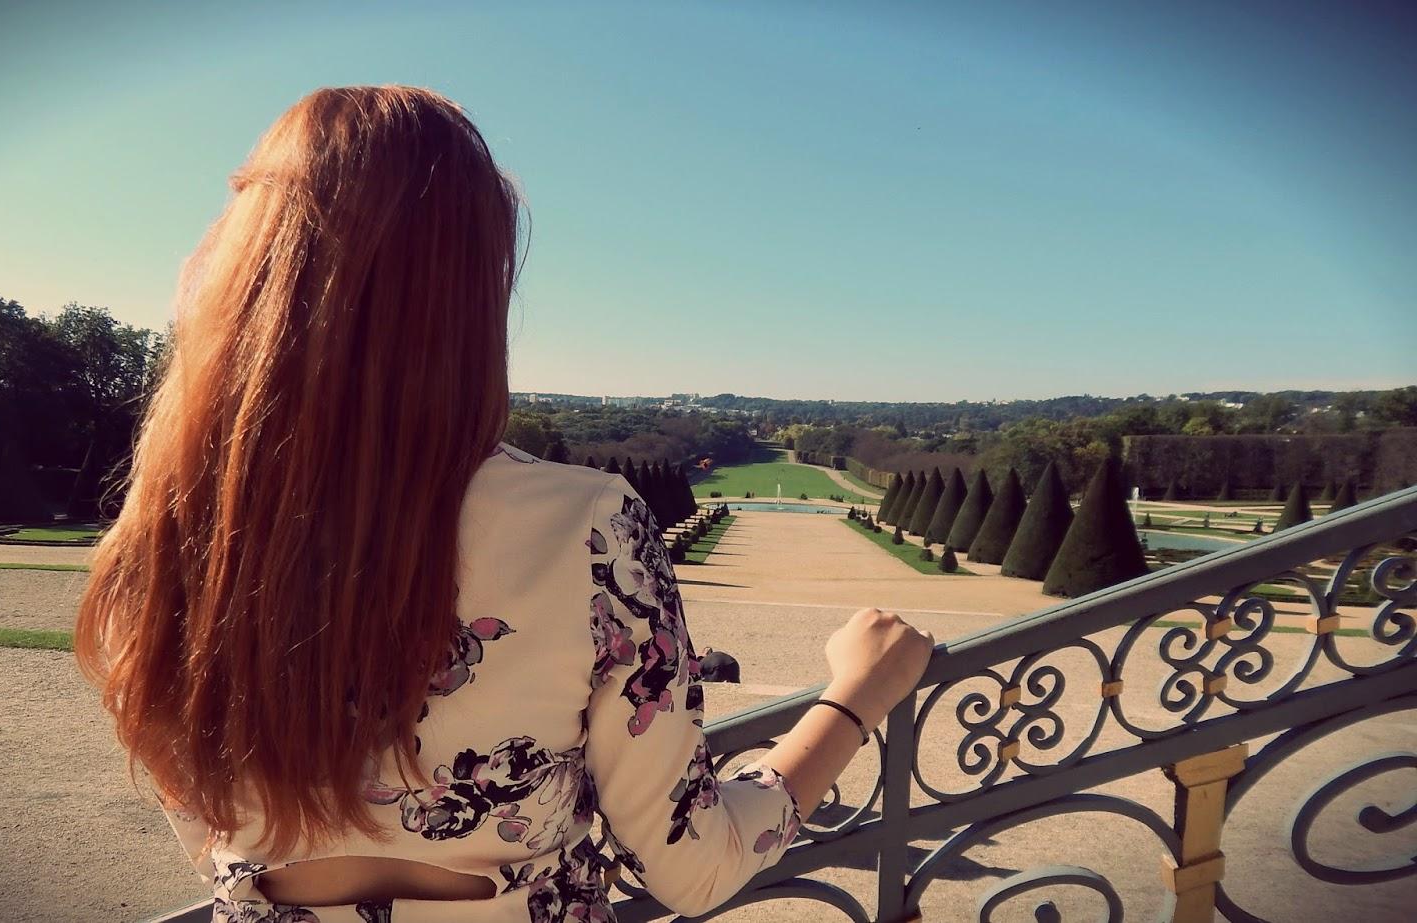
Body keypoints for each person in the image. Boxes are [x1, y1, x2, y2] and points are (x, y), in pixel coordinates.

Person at [74, 86, 933, 923]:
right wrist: (856, 694)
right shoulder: (586, 523)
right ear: (467, 296)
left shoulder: (155, 538)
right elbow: (693, 863)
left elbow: (208, 830)